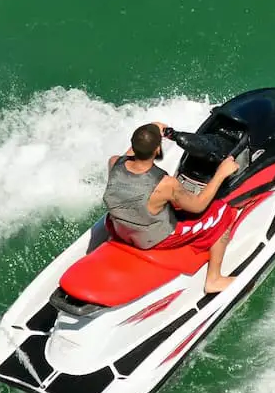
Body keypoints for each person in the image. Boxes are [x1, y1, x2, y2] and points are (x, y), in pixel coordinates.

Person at [103, 121, 240, 293]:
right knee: (222, 211)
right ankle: (214, 279)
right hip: (151, 238)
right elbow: (198, 206)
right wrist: (221, 173)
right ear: (157, 150)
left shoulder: (114, 162)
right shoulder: (166, 184)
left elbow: (133, 152)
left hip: (118, 229)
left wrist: (151, 131)